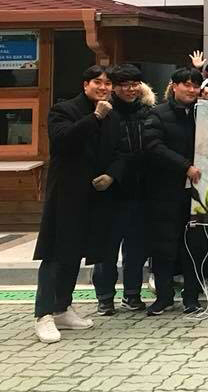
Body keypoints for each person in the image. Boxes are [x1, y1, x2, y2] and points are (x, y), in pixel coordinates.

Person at [33, 66, 115, 343]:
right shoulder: (63, 110)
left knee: (76, 252)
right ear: (85, 84)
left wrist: (112, 174)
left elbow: (116, 150)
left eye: (107, 83)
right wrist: (95, 117)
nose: (103, 87)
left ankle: (62, 308)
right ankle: (43, 315)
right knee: (55, 254)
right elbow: (62, 140)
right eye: (97, 82)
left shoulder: (111, 114)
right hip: (66, 193)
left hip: (93, 194)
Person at [92, 64, 154, 316]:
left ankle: (132, 294)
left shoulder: (148, 112)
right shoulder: (104, 112)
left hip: (142, 190)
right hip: (111, 190)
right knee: (106, 248)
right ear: (114, 87)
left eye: (134, 84)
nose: (130, 89)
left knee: (137, 248)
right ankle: (105, 297)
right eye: (124, 85)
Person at [142, 67, 204, 315]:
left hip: (198, 194)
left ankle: (192, 298)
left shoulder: (204, 114)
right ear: (174, 86)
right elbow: (153, 146)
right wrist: (185, 166)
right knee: (163, 246)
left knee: (194, 246)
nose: (192, 90)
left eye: (195, 85)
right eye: (186, 85)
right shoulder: (157, 114)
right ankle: (164, 297)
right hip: (165, 192)